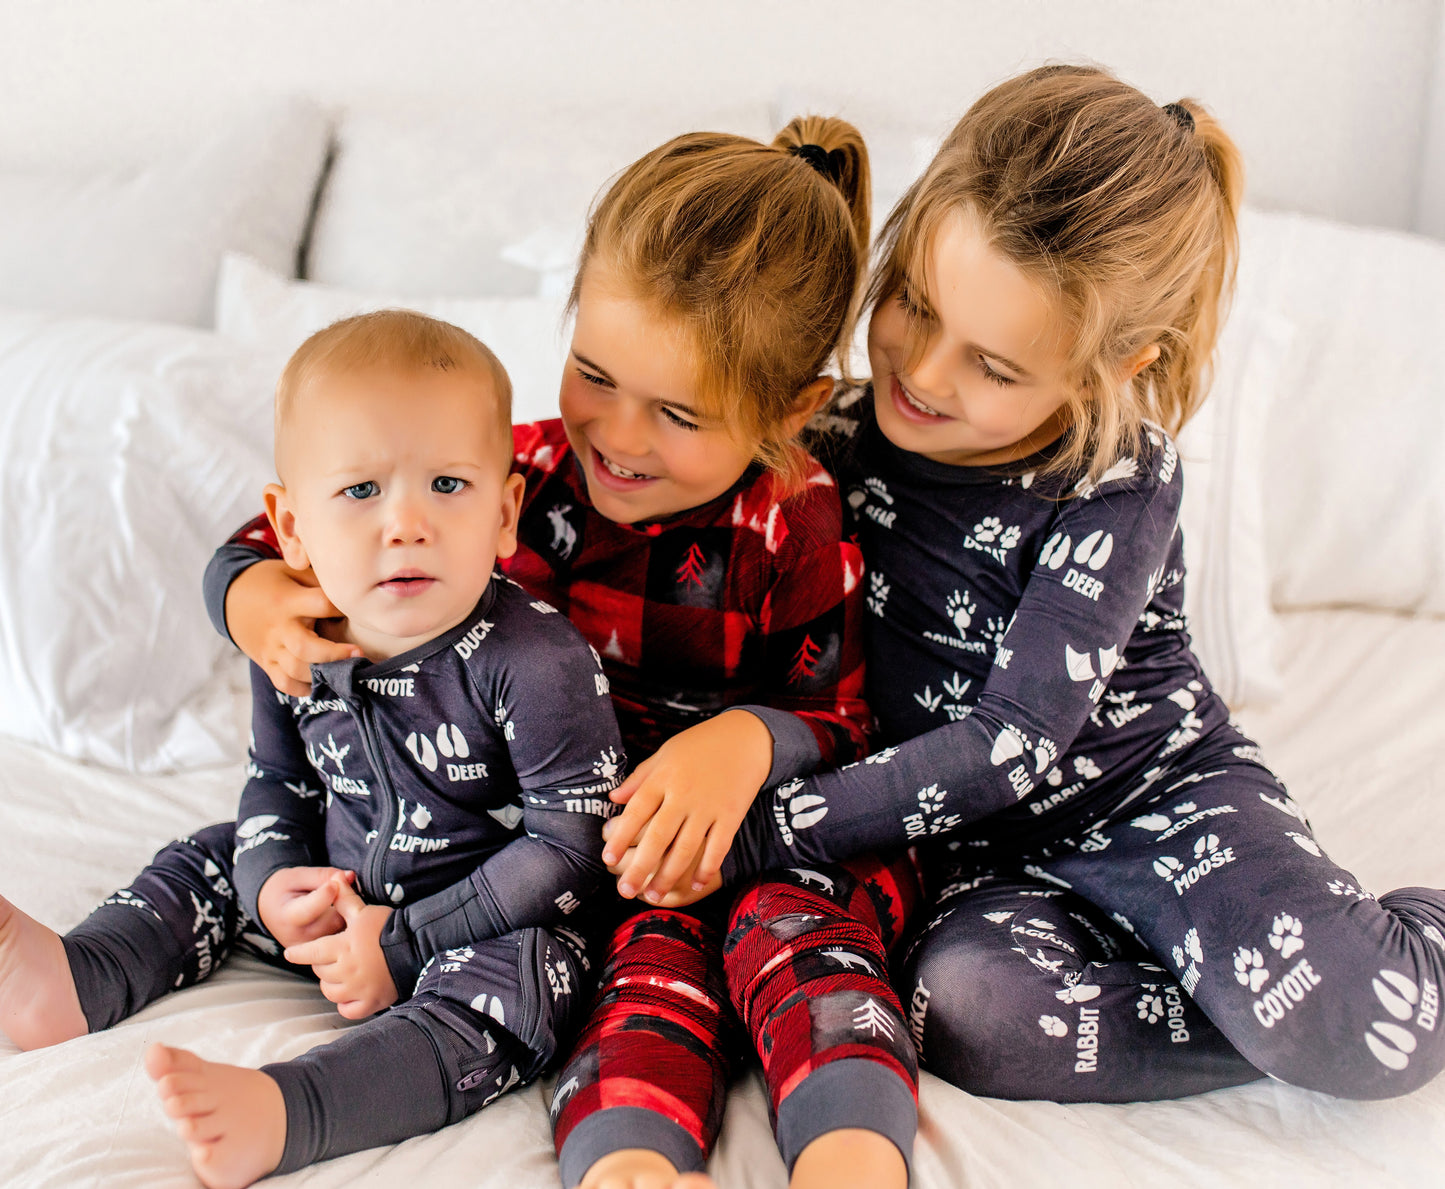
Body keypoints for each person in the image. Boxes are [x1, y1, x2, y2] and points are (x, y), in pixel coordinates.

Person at [689, 64, 1445, 1104]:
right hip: (963, 850)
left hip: (1153, 798)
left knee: (1373, 1032)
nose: (923, 372)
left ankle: (1330, 982)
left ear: (1119, 361)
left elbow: (1010, 742)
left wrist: (761, 830)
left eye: (993, 367)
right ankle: (1258, 1001)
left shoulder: (1119, 478)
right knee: (965, 1017)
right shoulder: (824, 443)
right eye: (910, 301)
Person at [203, 119, 920, 1189]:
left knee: (799, 947)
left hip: (746, 839)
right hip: (559, 850)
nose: (618, 436)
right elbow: (301, 530)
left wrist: (741, 742)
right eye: (594, 372)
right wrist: (249, 592)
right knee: (630, 983)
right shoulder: (516, 474)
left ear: (789, 409)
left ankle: (849, 1157)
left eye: (677, 411)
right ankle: (629, 1163)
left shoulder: (794, 527)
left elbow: (842, 716)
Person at [0, 309, 629, 1189]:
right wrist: (272, 882)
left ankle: (291, 1109)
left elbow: (570, 850)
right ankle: (78, 978)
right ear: (291, 528)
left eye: (448, 484)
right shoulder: (299, 639)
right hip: (332, 896)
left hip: (479, 925)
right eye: (361, 490)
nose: (405, 522)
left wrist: (402, 943)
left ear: (504, 511)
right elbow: (276, 778)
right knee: (210, 855)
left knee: (526, 982)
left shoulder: (537, 661)